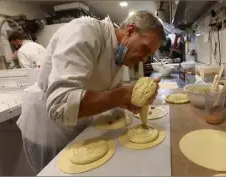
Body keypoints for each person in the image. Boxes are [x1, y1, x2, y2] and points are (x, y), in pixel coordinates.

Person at [17, 10, 166, 173]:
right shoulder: (85, 32)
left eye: (149, 55)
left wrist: (127, 101)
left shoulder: (118, 55)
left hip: (77, 124)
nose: (144, 59)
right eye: (145, 49)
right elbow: (60, 105)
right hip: (48, 128)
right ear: (130, 31)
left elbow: (101, 92)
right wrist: (123, 94)